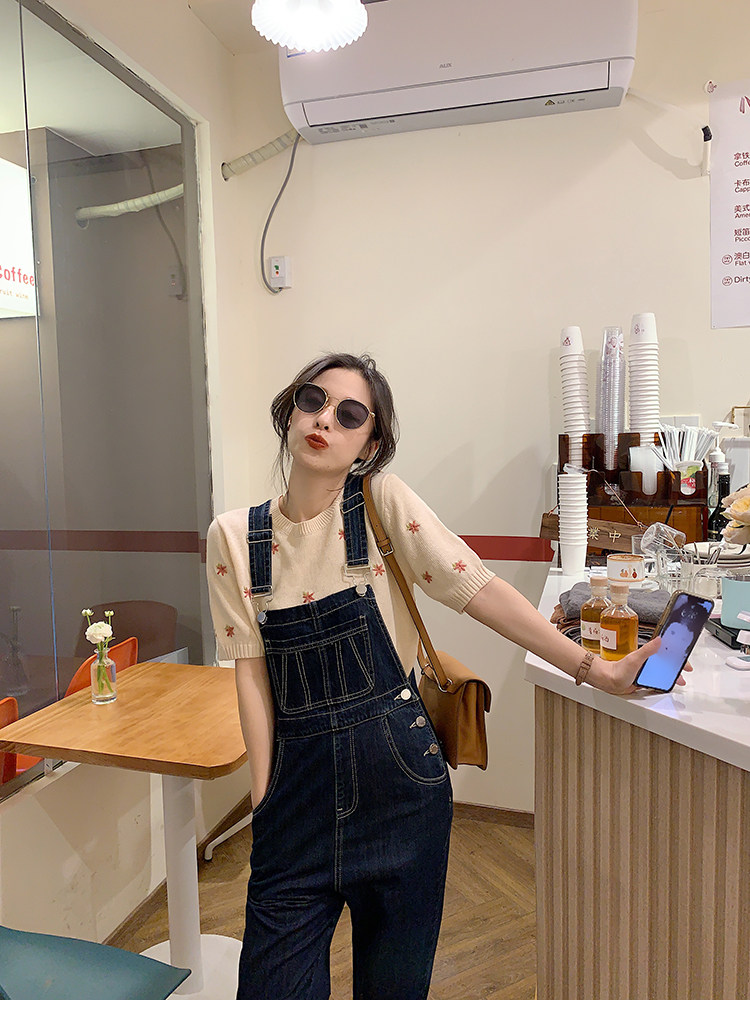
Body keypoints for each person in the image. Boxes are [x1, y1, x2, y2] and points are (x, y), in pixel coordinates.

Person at [206, 352, 671, 1000]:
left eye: (350, 414)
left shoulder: (380, 504)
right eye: (313, 400)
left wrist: (595, 669)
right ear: (290, 411)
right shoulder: (234, 537)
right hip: (295, 807)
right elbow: (252, 678)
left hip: (400, 796)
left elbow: (480, 590)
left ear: (370, 444)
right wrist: (265, 802)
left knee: (393, 998)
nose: (325, 420)